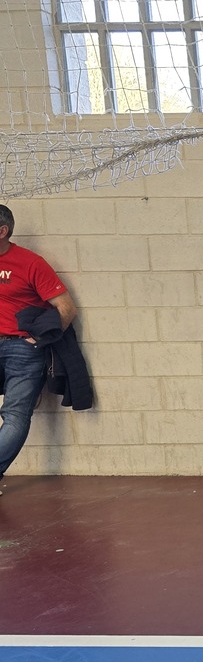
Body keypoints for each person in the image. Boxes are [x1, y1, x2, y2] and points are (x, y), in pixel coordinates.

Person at [0, 204, 79, 493]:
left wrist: (38, 340)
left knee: (16, 414)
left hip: (21, 349)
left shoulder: (30, 263)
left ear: (2, 231)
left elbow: (66, 307)